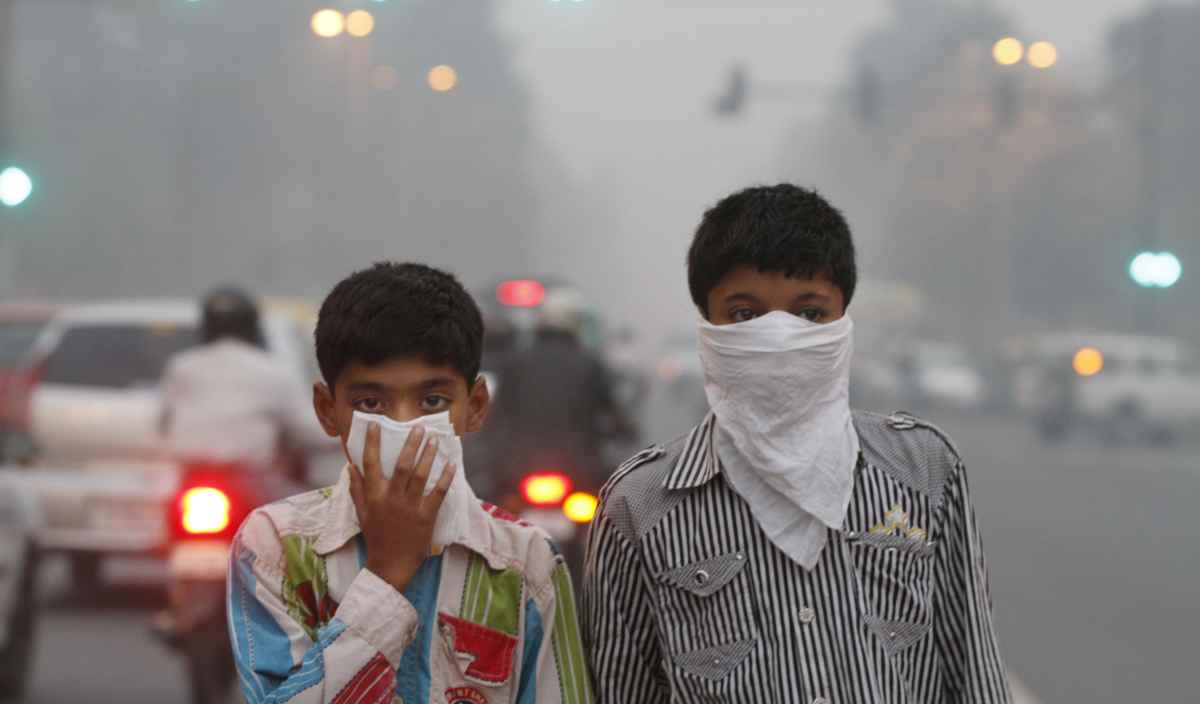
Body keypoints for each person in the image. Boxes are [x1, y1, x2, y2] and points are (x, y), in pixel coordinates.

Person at [583, 184, 1010, 703]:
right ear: (707, 324)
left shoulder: (923, 470)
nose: (779, 336)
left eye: (809, 314)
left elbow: (975, 673)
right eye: (745, 314)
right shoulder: (639, 505)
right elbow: (619, 690)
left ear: (843, 319)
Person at [227, 262, 593, 704]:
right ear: (327, 411)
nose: (405, 426)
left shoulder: (525, 564)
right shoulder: (277, 548)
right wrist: (385, 575)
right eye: (371, 402)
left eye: (432, 401)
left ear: (475, 406)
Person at [160, 286, 320, 475]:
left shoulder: (183, 366)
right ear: (253, 326)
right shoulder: (273, 370)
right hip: (253, 476)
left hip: (191, 473)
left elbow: (163, 422)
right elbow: (306, 427)